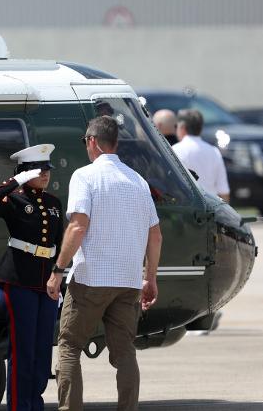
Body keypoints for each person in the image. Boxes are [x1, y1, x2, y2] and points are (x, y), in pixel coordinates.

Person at [46, 116, 162, 411]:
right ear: (116, 143)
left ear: (93, 142)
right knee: (125, 353)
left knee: (70, 347)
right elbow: (156, 236)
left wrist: (58, 269)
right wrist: (151, 279)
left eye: (86, 142)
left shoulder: (84, 176)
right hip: (128, 282)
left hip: (91, 278)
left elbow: (77, 227)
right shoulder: (138, 181)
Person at [0, 144, 64, 411]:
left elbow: (60, 243)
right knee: (23, 350)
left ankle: (36, 404)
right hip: (18, 280)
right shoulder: (14, 199)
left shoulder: (54, 203)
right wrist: (15, 181)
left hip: (46, 284)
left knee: (42, 351)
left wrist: (59, 274)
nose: (45, 174)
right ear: (24, 173)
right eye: (38, 170)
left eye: (47, 169)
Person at [172, 109, 230, 202]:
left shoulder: (175, 150)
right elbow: (223, 191)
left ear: (182, 127)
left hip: (187, 208)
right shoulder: (214, 151)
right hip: (212, 208)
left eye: (176, 126)